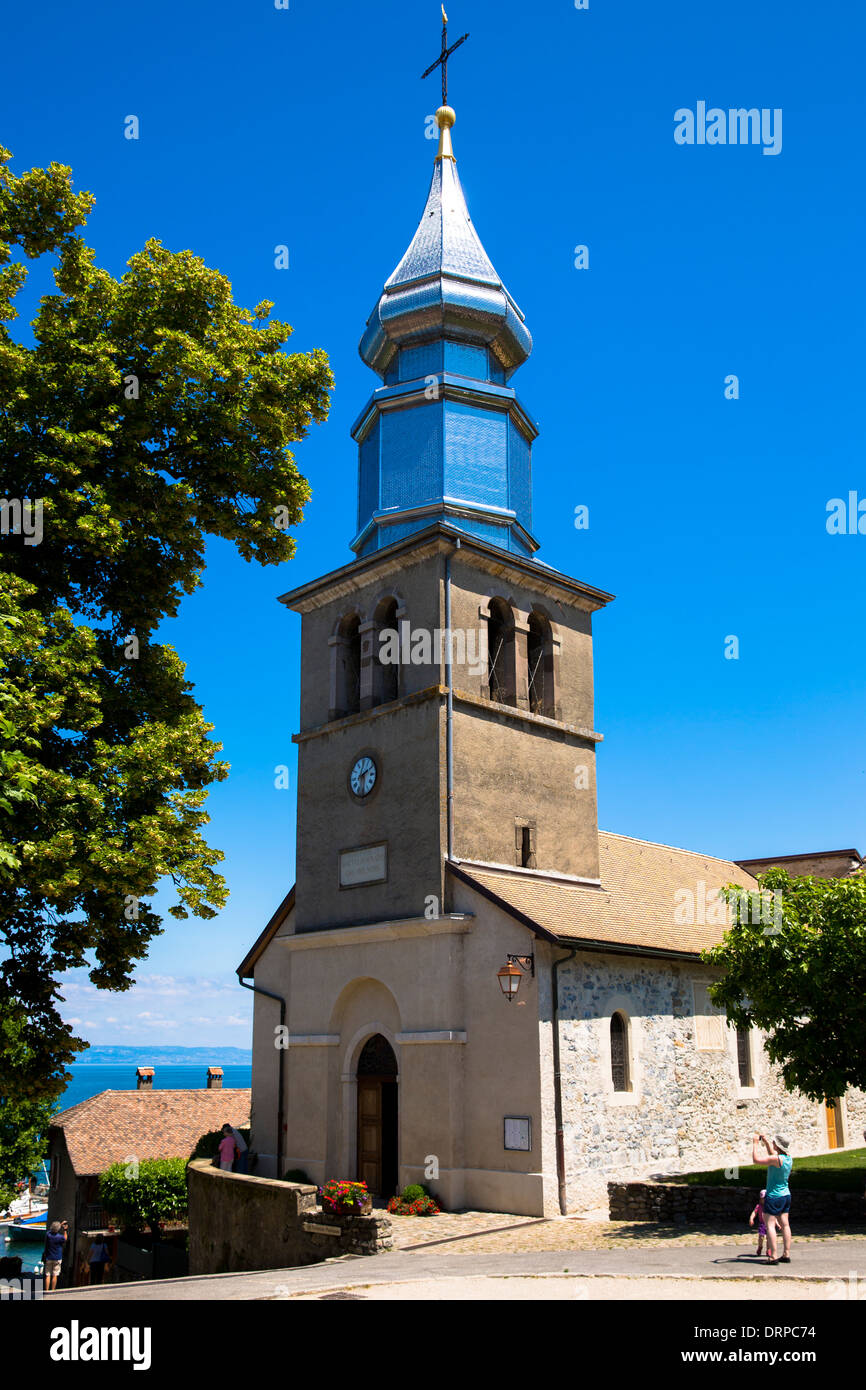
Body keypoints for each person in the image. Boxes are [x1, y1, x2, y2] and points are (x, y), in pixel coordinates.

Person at [751, 1131, 793, 1264]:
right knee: (785, 1224)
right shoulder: (788, 1158)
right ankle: (786, 1254)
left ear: (778, 1145)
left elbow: (756, 1160)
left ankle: (773, 1256)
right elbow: (773, 1155)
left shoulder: (776, 1160)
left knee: (770, 1225)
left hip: (774, 1196)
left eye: (775, 1142)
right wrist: (767, 1142)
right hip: (785, 1195)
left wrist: (755, 1144)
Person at [42, 1219, 67, 1292]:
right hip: (57, 1258)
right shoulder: (59, 1237)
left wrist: (59, 1224)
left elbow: (50, 1230)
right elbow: (65, 1238)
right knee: (55, 1275)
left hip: (48, 1257)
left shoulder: (48, 1235)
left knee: (48, 1275)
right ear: (58, 1229)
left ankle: (46, 1290)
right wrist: (65, 1230)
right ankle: (52, 1290)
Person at [749, 1189, 768, 1257]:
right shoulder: (759, 1206)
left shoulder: (769, 1206)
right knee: (761, 1237)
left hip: (769, 1224)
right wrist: (751, 1218)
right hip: (762, 1224)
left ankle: (768, 1249)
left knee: (769, 1238)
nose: (764, 1200)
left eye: (765, 1198)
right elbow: (754, 1212)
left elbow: (774, 1215)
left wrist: (777, 1223)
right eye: (762, 1198)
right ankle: (760, 1247)